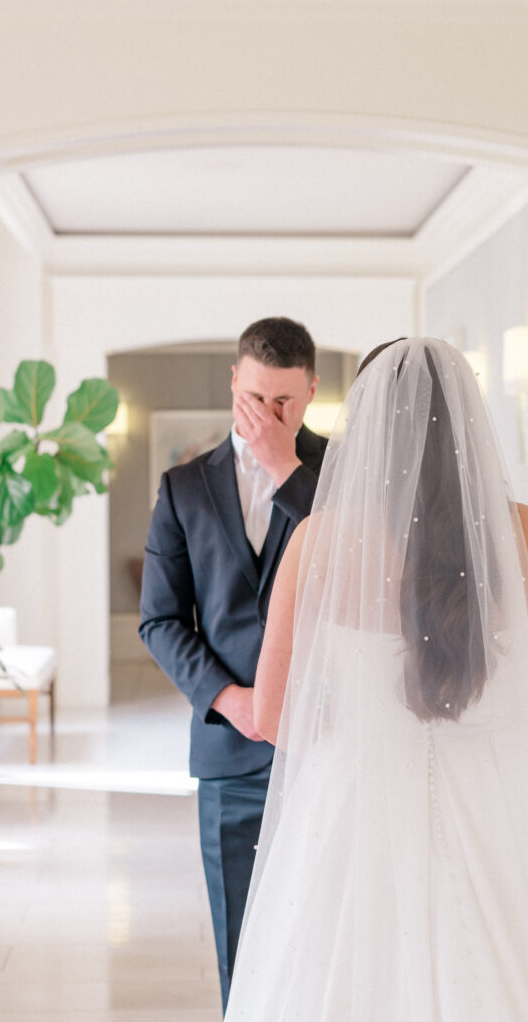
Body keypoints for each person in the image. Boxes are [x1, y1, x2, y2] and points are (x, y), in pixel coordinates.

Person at [224, 338, 528, 1020]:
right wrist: (483, 736)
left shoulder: (317, 542)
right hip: (499, 801)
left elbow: (271, 717)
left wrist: (360, 732)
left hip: (354, 801)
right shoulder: (524, 535)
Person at [139, 317, 327, 1012]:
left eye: (283, 403)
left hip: (325, 747)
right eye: (254, 400)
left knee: (324, 933)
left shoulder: (340, 477)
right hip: (228, 750)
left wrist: (286, 470)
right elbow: (159, 620)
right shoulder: (183, 487)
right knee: (240, 942)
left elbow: (367, 583)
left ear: (310, 390)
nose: (267, 418)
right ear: (233, 383)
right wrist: (231, 699)